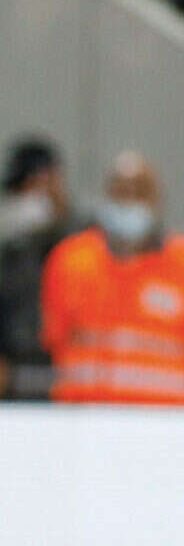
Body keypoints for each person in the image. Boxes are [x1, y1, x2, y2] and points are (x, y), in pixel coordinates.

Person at [40, 150, 184, 403]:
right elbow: (54, 341)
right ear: (106, 196)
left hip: (164, 419)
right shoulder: (70, 260)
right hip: (82, 417)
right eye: (121, 192)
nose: (129, 201)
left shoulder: (179, 263)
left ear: (157, 201)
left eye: (140, 192)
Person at [0, 136, 81, 400]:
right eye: (22, 191)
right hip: (13, 363)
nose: (28, 201)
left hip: (62, 366)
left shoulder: (78, 245)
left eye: (37, 188)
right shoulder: (3, 245)